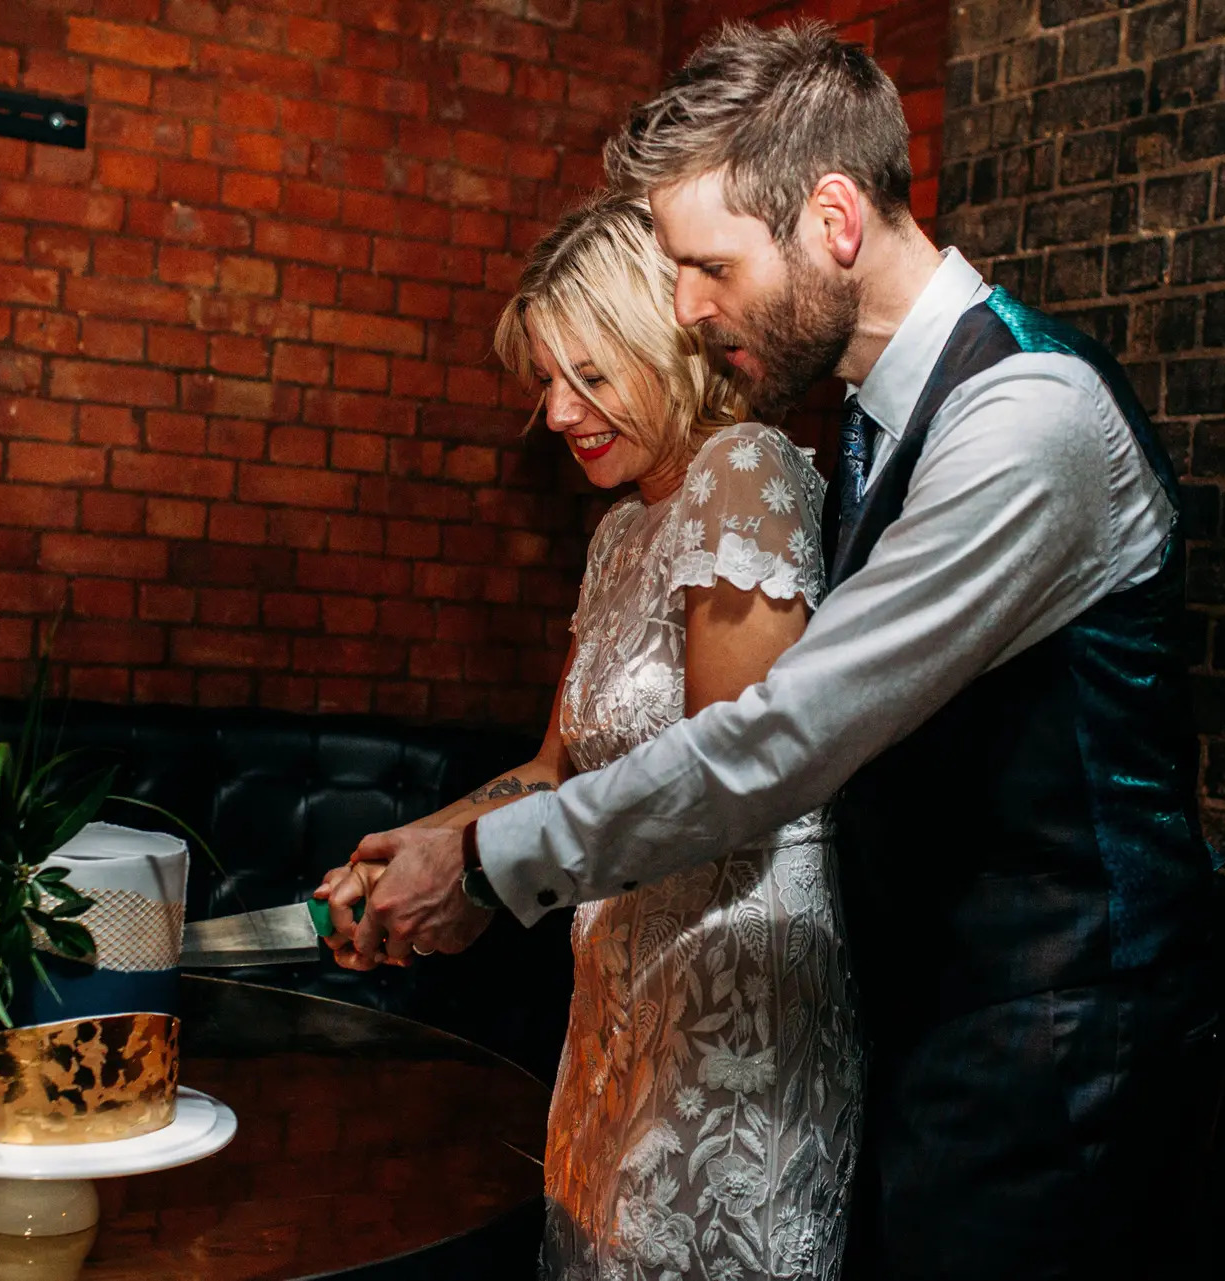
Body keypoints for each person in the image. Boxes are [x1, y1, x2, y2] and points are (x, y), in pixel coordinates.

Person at [335, 20, 1216, 1281]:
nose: (687, 309)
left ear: (834, 220)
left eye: (711, 266)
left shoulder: (1026, 418)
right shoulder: (872, 422)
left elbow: (775, 743)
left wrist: (485, 865)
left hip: (1065, 1035)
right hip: (948, 1013)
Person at [319, 192, 863, 1280]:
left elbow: (727, 787)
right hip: (616, 997)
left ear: (664, 345)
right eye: (545, 383)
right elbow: (552, 768)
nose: (560, 415)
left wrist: (472, 877)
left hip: (727, 1016)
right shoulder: (621, 532)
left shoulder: (745, 473)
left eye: (591, 377)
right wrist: (418, 848)